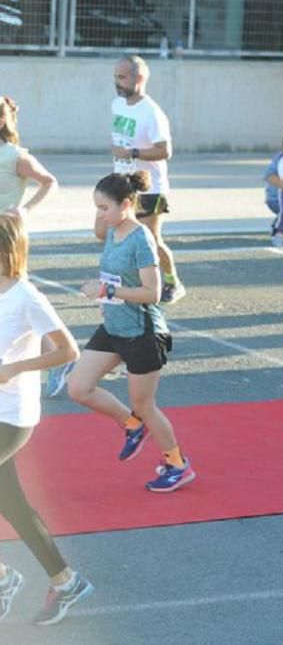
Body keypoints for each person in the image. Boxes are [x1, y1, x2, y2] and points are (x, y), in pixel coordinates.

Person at [67, 172, 195, 493]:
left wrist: (107, 291)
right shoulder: (112, 229)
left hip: (142, 333)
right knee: (79, 387)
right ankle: (132, 425)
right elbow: (99, 229)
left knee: (145, 405)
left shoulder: (141, 239)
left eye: (104, 207)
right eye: (96, 207)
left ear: (126, 205)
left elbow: (153, 292)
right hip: (113, 327)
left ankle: (177, 464)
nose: (99, 214)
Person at [0, 215, 94, 626]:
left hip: (11, 416)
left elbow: (68, 350)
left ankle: (2, 579)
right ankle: (66, 581)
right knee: (12, 504)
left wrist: (18, 366)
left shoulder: (26, 296)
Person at [0, 97, 69, 398]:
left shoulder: (14, 156)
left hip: (7, 240)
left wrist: (25, 210)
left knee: (21, 300)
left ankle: (56, 359)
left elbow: (49, 181)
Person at [108, 55, 184, 304]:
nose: (117, 82)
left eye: (122, 77)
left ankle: (172, 281)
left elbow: (165, 151)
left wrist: (133, 153)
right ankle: (129, 282)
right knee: (114, 233)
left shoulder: (152, 112)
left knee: (151, 238)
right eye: (115, 77)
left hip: (150, 187)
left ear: (139, 78)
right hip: (123, 183)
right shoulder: (117, 105)